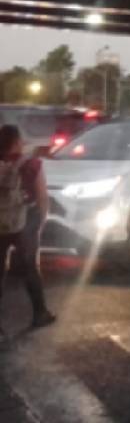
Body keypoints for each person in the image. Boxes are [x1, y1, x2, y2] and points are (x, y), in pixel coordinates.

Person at [0, 125, 56, 335]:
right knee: (30, 268)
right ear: (16, 142)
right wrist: (41, 222)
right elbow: (42, 197)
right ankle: (40, 314)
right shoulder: (32, 165)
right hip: (24, 221)